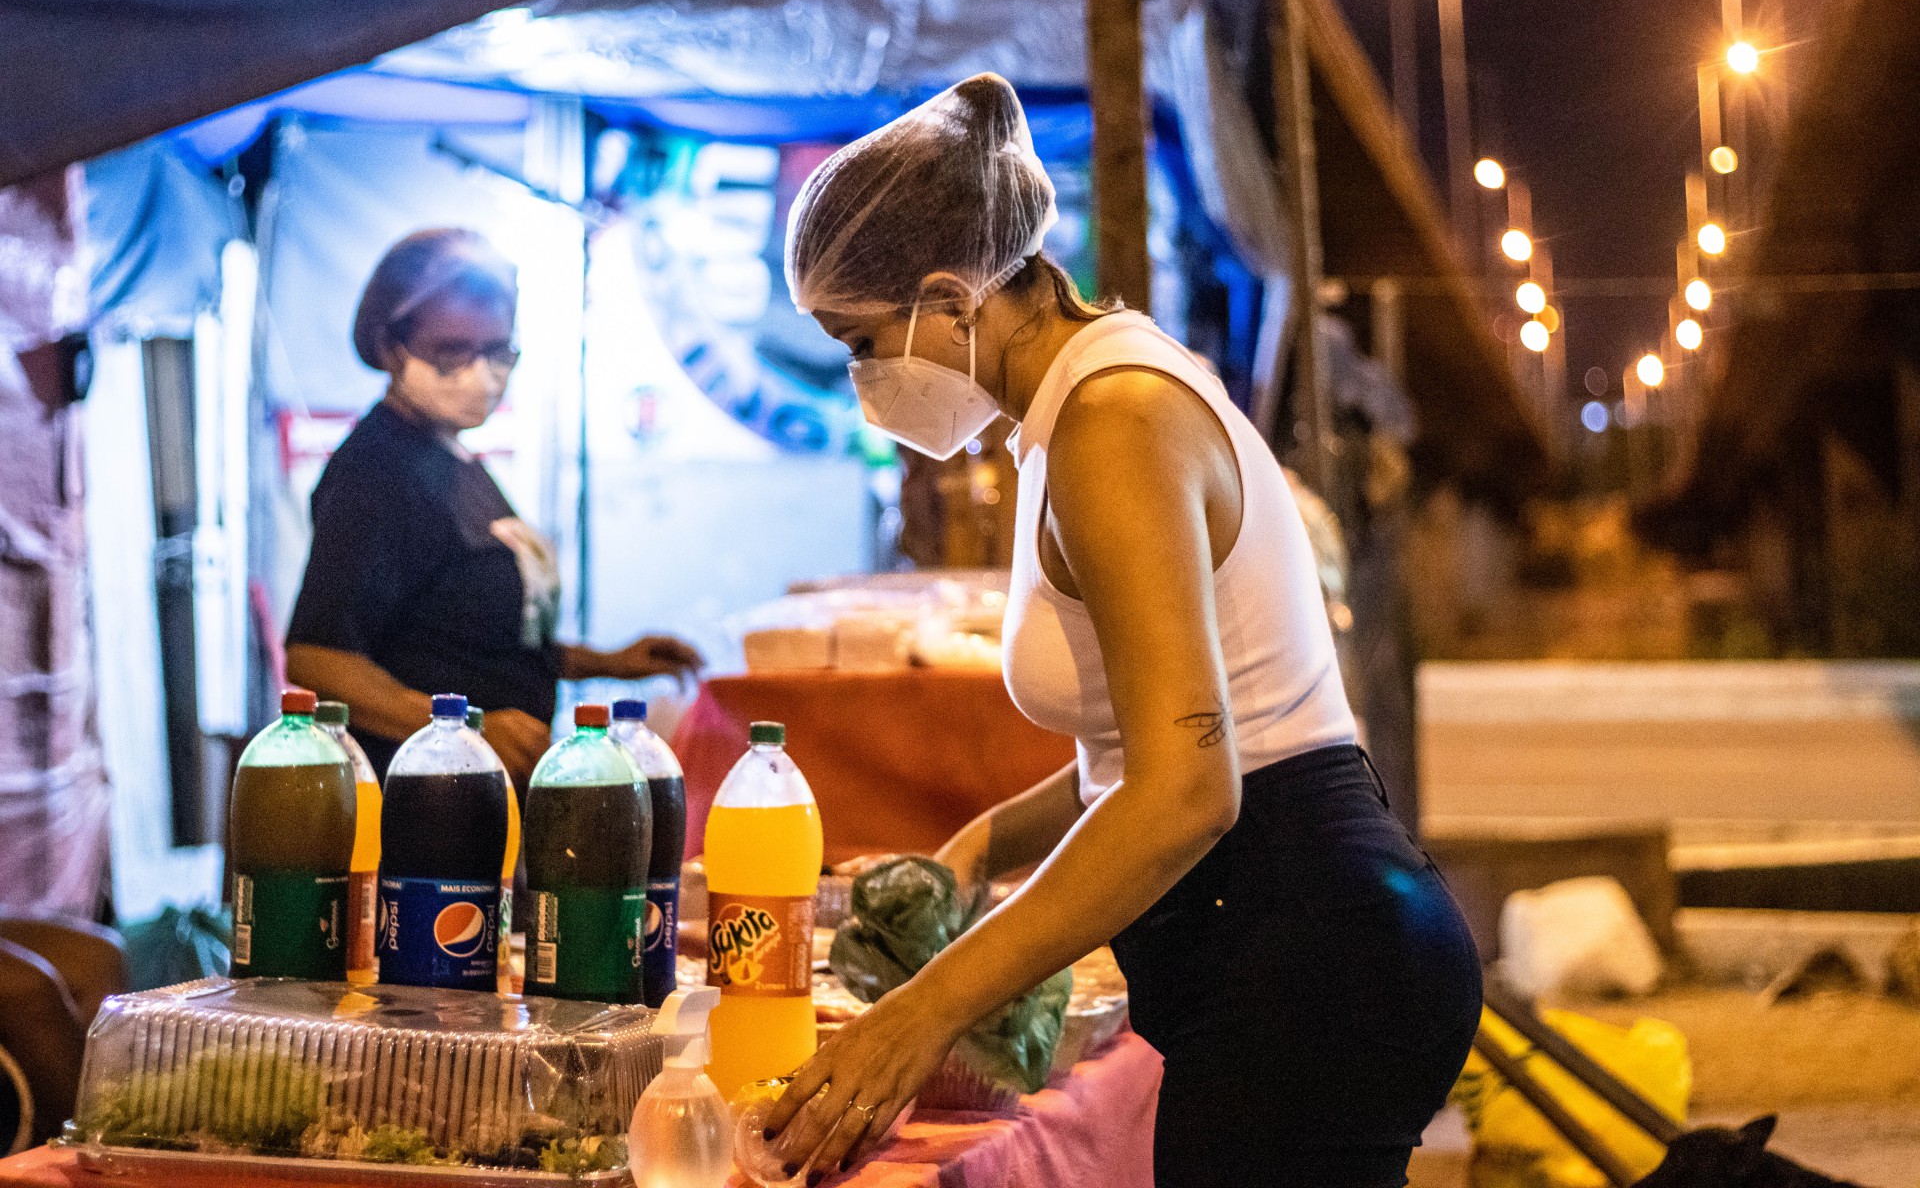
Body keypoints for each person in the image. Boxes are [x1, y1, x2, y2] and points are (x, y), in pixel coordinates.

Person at [763, 76, 1481, 1187]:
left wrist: (922, 1013)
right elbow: (1188, 723)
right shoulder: (1080, 404)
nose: (863, 383)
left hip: (1309, 945)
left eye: (861, 342)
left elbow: (1190, 788)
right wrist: (986, 844)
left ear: (953, 300)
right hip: (1295, 930)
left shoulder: (1114, 424)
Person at [285, 228, 702, 783]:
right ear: (391, 347)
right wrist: (464, 729)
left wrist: (606, 662)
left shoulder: (452, 456)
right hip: (423, 801)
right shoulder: (376, 472)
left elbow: (461, 636)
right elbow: (317, 658)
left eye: (497, 349)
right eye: (453, 349)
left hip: (484, 793)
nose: (482, 373)